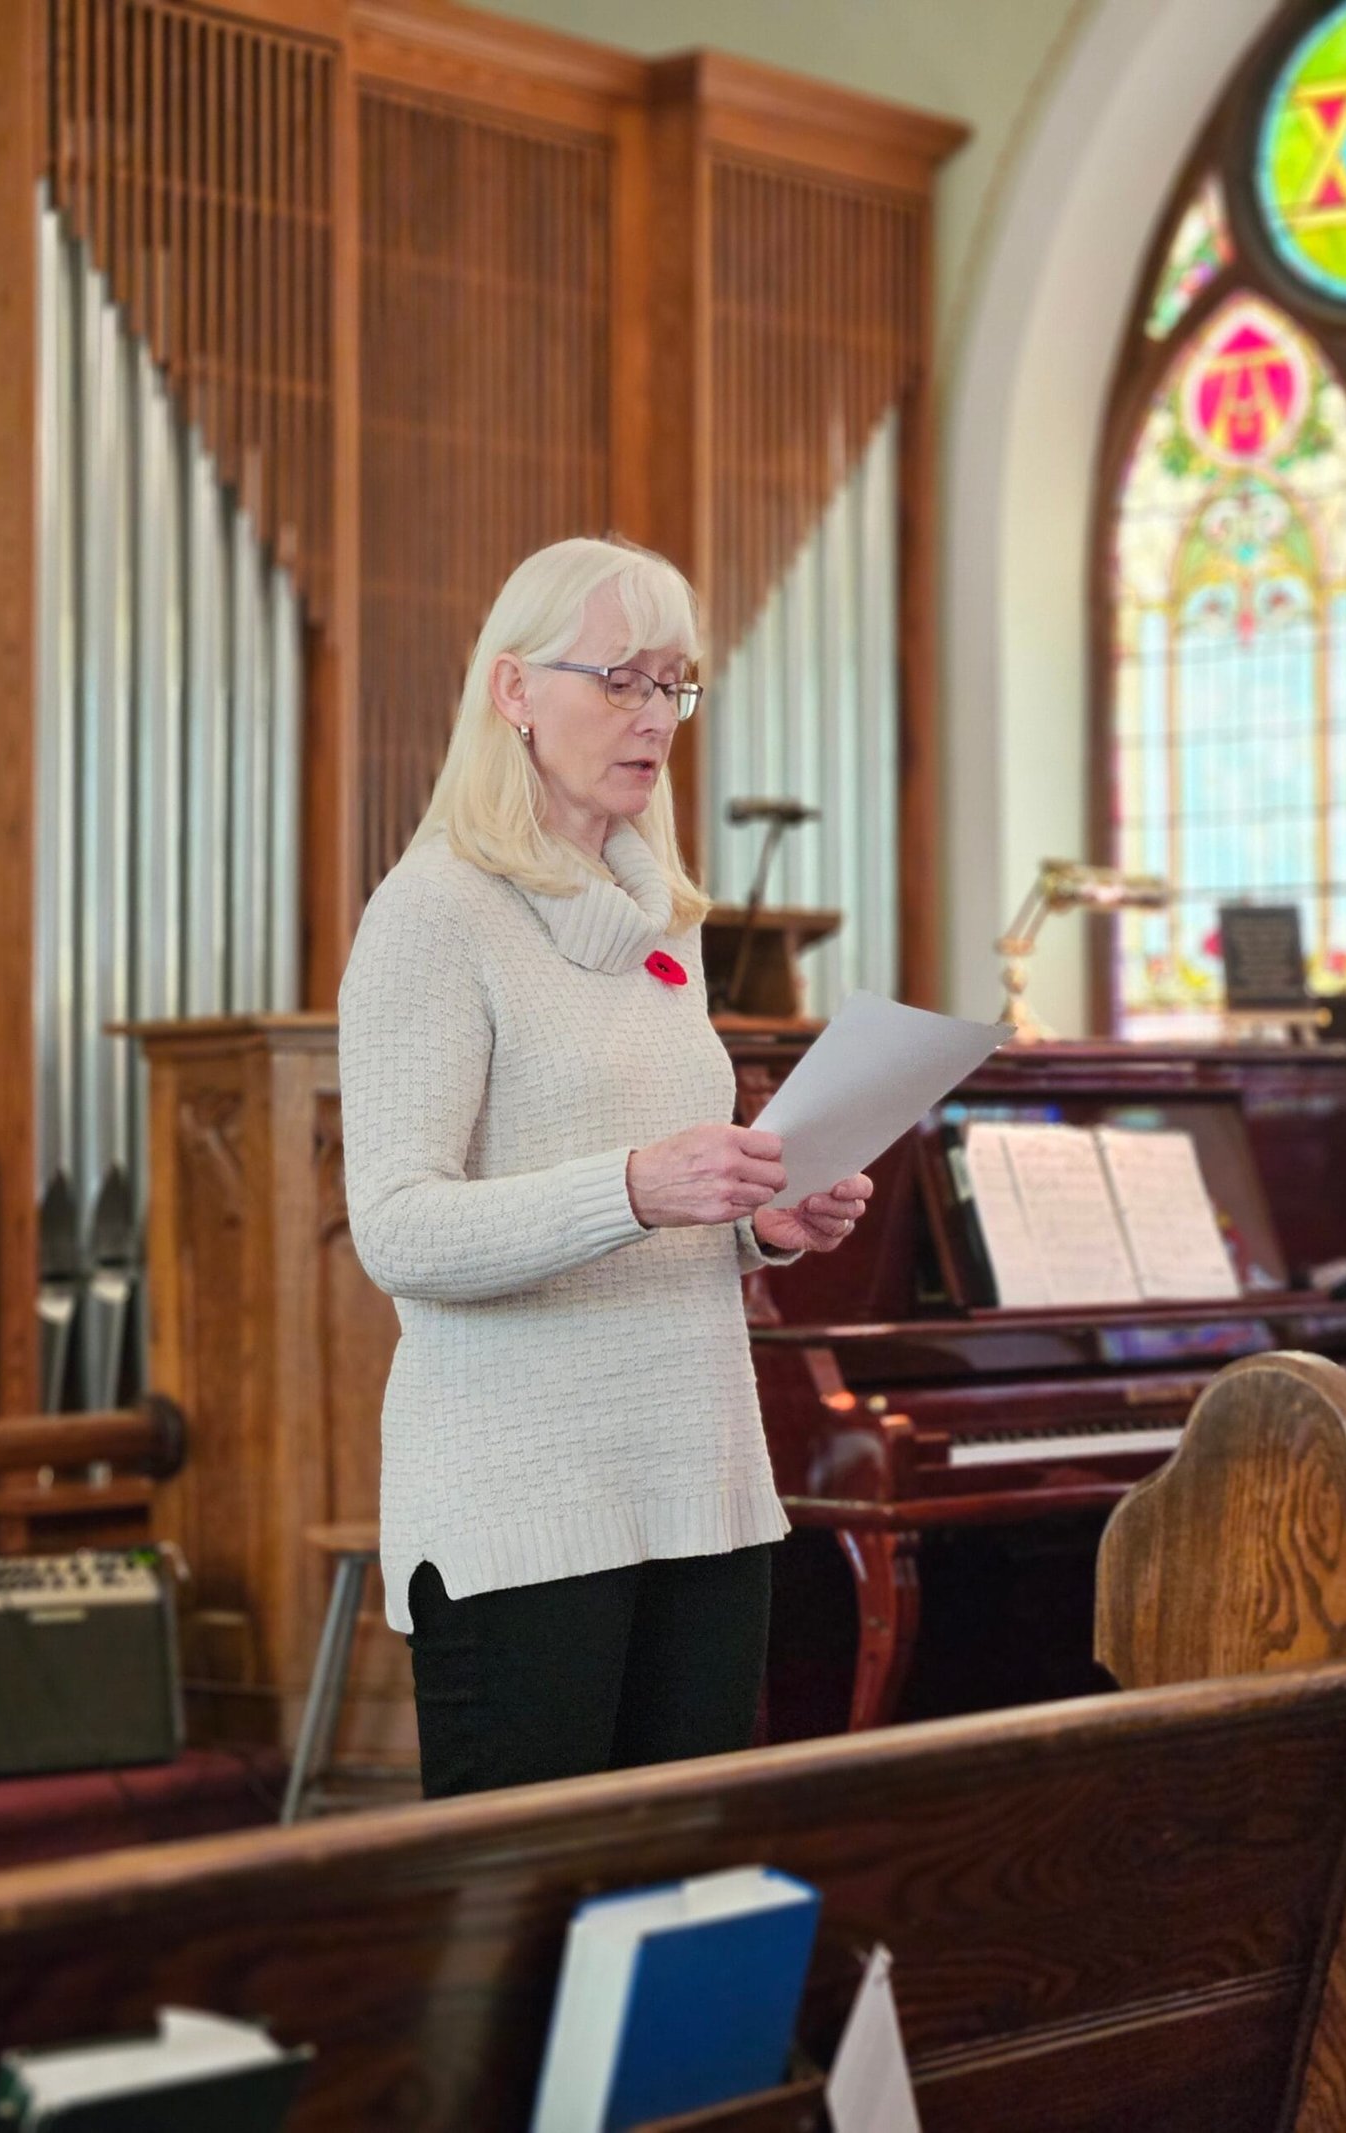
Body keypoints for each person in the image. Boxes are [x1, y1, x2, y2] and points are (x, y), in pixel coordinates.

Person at [338, 535, 871, 1797]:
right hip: (522, 1510)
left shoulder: (659, 925)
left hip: (698, 1482)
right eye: (620, 678)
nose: (654, 715)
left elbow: (655, 1200)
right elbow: (398, 1228)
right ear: (513, 689)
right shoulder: (434, 911)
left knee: (683, 1888)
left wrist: (758, 1222)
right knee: (531, 1906)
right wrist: (633, 1187)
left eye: (673, 683)